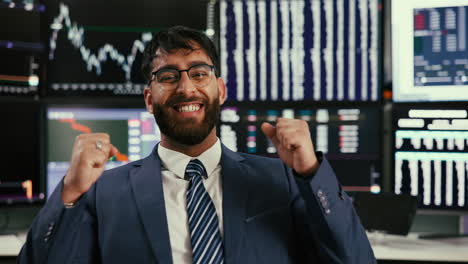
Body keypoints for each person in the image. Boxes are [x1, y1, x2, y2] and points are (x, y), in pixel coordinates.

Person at [19, 26, 376, 264]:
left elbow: (355, 259)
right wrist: (69, 192)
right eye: (168, 76)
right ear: (149, 98)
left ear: (220, 90)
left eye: (199, 73)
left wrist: (312, 172)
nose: (186, 88)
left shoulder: (280, 180)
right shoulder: (106, 192)